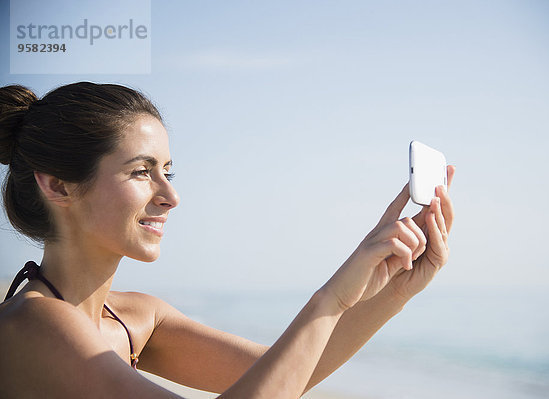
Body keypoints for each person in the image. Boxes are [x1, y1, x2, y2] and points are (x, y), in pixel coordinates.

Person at [0, 82, 455, 398]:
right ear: (58, 186)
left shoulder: (138, 316)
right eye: (141, 172)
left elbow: (293, 372)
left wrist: (395, 290)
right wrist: (330, 298)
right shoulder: (36, 325)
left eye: (168, 171)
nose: (171, 196)